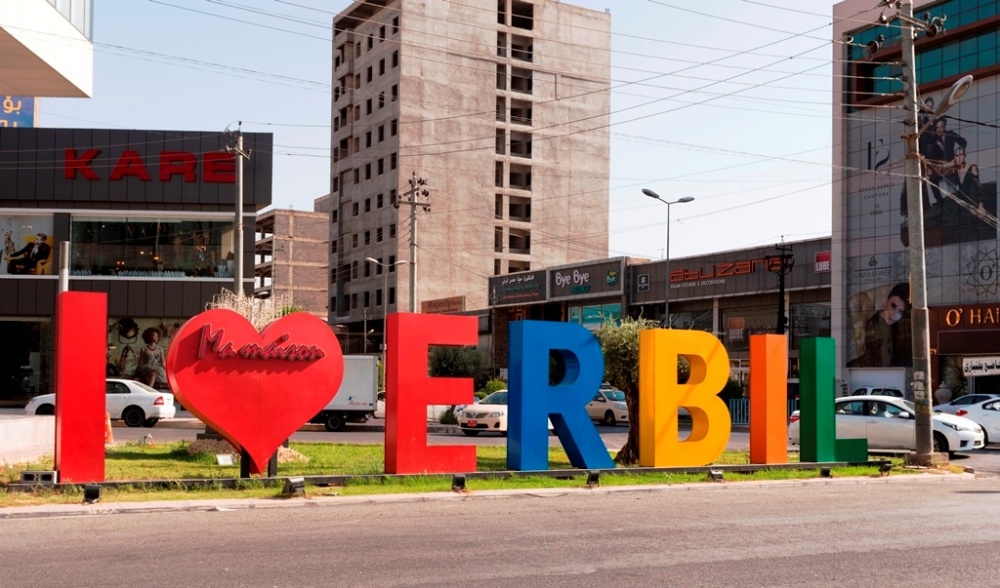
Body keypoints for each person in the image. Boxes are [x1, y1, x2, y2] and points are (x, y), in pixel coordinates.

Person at [847, 283, 913, 368]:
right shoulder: (874, 323)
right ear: (886, 302)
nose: (893, 314)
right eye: (893, 306)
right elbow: (883, 360)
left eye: (900, 311)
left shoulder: (901, 325)